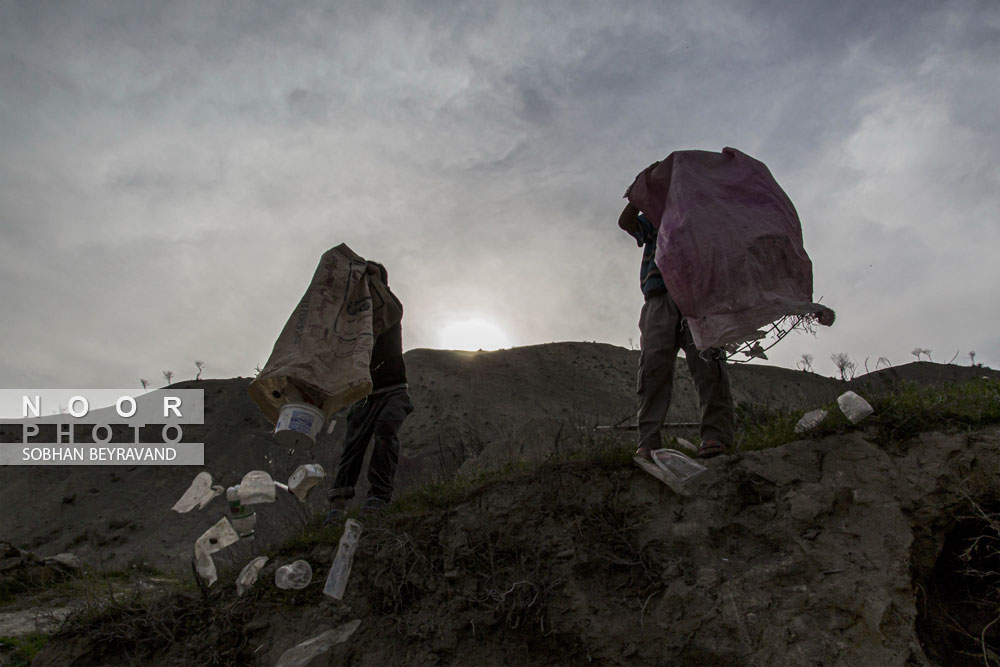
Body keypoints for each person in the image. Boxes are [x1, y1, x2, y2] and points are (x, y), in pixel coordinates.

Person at [619, 200, 735, 460]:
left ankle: (715, 435)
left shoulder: (705, 218)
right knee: (653, 369)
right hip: (659, 298)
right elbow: (627, 223)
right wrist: (638, 196)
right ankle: (649, 441)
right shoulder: (658, 217)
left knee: (709, 366)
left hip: (699, 298)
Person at [326, 263, 414, 522]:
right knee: (352, 446)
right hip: (365, 394)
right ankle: (337, 504)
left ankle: (379, 496)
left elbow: (389, 308)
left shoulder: (390, 308)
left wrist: (373, 278)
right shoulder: (354, 317)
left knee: (386, 431)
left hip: (394, 390)